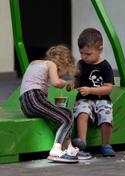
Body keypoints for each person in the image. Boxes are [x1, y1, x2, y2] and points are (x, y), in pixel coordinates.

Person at [19, 45, 79, 163]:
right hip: (34, 98)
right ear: (62, 63)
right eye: (62, 73)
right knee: (65, 120)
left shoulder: (34, 63)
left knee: (66, 112)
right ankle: (56, 150)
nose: (60, 75)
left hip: (25, 103)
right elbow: (56, 82)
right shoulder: (50, 64)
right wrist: (62, 82)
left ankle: (69, 147)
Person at [66, 28, 116, 157]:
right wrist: (73, 84)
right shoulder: (81, 64)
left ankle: (106, 144)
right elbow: (78, 79)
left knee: (106, 116)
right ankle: (82, 142)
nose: (84, 57)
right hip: (84, 100)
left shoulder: (105, 66)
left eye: (88, 54)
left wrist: (90, 90)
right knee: (82, 112)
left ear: (100, 49)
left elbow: (108, 87)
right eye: (82, 53)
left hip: (102, 99)